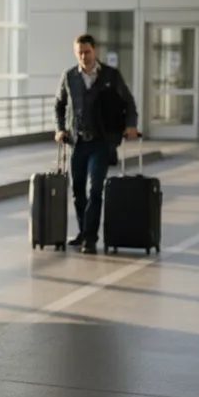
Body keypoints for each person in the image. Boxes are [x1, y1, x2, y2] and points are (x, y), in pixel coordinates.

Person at [54, 33, 140, 254]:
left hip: (101, 142)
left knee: (95, 190)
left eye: (87, 52)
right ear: (76, 53)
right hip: (77, 142)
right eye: (80, 52)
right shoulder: (69, 76)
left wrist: (131, 125)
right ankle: (84, 232)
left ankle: (90, 238)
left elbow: (128, 102)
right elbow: (59, 104)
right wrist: (60, 129)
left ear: (95, 51)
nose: (84, 56)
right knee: (78, 191)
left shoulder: (111, 75)